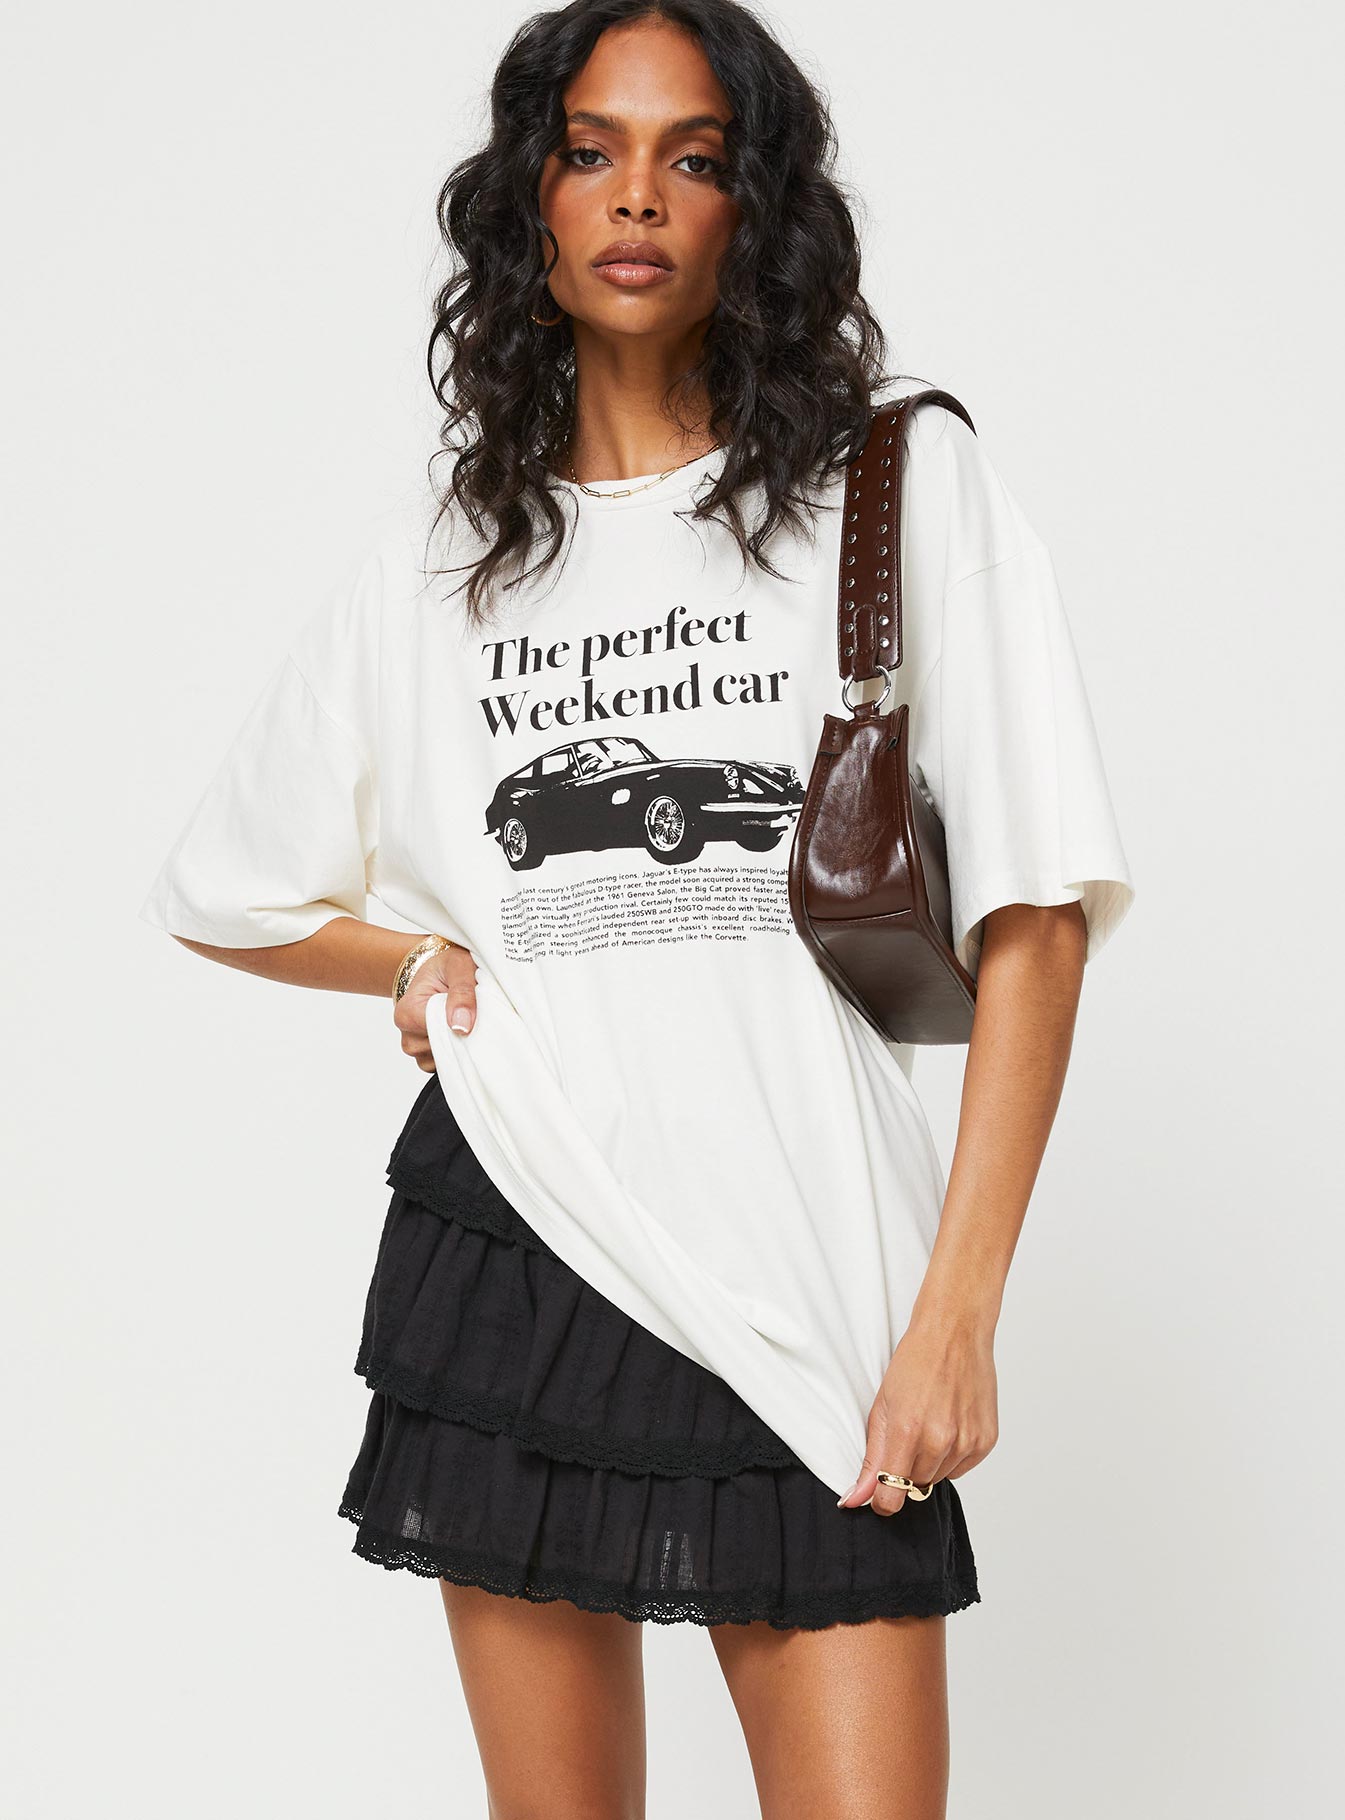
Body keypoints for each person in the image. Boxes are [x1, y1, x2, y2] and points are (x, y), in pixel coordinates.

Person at [138, 2, 1136, 1812]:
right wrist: (420, 957)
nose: (637, 197)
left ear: (758, 207)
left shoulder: (890, 485)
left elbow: (1032, 919)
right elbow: (222, 888)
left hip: (810, 1262)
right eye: (591, 151)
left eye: (695, 158)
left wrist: (955, 1313)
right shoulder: (442, 563)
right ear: (528, 198)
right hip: (517, 1234)